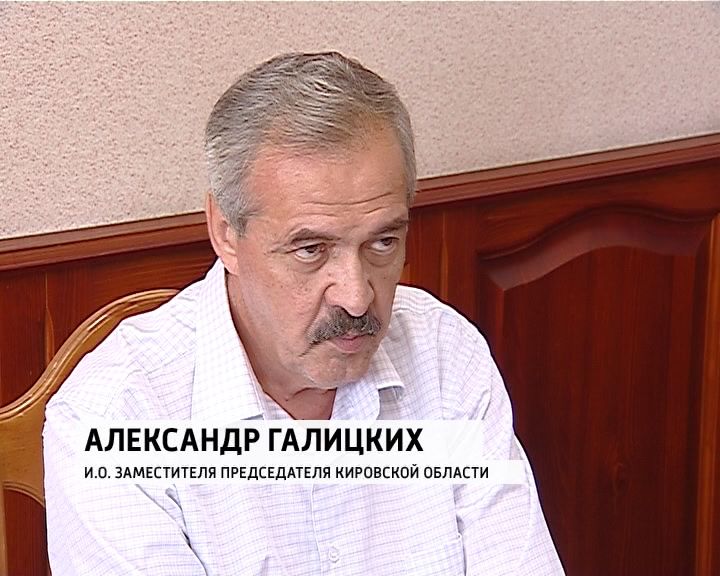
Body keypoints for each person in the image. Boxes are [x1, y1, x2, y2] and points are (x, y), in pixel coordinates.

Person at [43, 51, 564, 575]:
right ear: (226, 232)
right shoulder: (114, 417)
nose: (356, 298)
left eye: (382, 243)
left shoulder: (446, 353)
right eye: (311, 250)